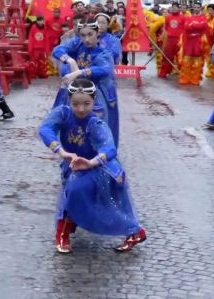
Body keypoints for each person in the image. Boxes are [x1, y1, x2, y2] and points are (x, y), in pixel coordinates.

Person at [38, 78, 146, 254]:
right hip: (74, 164)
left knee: (80, 192)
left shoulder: (95, 123)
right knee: (73, 191)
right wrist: (61, 151)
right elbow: (45, 129)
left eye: (86, 104)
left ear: (94, 101)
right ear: (69, 100)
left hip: (100, 167)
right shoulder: (63, 114)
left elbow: (109, 148)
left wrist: (91, 163)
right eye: (76, 104)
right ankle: (64, 232)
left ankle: (134, 232)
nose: (81, 109)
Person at [52, 19, 119, 147]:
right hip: (75, 93)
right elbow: (57, 50)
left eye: (90, 34)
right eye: (83, 35)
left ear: (97, 33)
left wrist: (79, 72)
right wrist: (70, 60)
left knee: (96, 128)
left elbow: (105, 69)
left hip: (94, 94)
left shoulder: (103, 52)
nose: (86, 39)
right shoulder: (77, 45)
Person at [179, 9, 208, 86]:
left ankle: (195, 79)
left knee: (197, 62)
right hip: (189, 41)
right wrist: (196, 26)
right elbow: (186, 27)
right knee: (186, 61)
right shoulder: (189, 18)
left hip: (198, 42)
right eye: (195, 7)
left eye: (198, 7)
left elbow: (203, 26)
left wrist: (192, 25)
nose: (196, 8)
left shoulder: (203, 18)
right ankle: (185, 78)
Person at [158, 3, 184, 78]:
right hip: (170, 39)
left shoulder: (183, 18)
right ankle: (164, 72)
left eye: (175, 7)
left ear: (179, 8)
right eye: (173, 7)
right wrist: (162, 38)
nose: (174, 8)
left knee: (180, 57)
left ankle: (182, 72)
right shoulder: (168, 17)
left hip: (179, 40)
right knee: (167, 56)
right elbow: (166, 29)